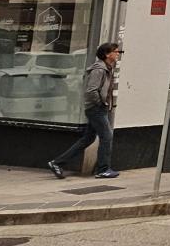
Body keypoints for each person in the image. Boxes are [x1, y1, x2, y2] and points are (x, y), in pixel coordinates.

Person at [48, 42, 122, 179]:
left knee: (88, 138)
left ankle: (57, 163)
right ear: (107, 54)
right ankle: (103, 169)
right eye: (116, 51)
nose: (118, 54)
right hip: (96, 108)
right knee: (107, 136)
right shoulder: (99, 70)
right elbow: (91, 90)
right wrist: (101, 103)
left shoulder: (107, 68)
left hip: (99, 108)